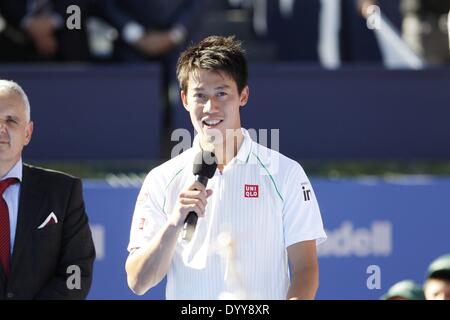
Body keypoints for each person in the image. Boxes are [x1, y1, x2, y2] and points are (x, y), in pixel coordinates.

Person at [125, 35, 327, 300]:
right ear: (185, 100)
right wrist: (175, 221)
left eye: (222, 93)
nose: (211, 107)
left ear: (243, 95)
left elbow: (305, 268)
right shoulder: (161, 179)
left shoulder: (285, 173)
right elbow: (138, 282)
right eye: (200, 95)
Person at [0, 80, 95, 299]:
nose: (1, 129)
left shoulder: (63, 192)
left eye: (11, 120)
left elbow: (77, 272)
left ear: (28, 132)